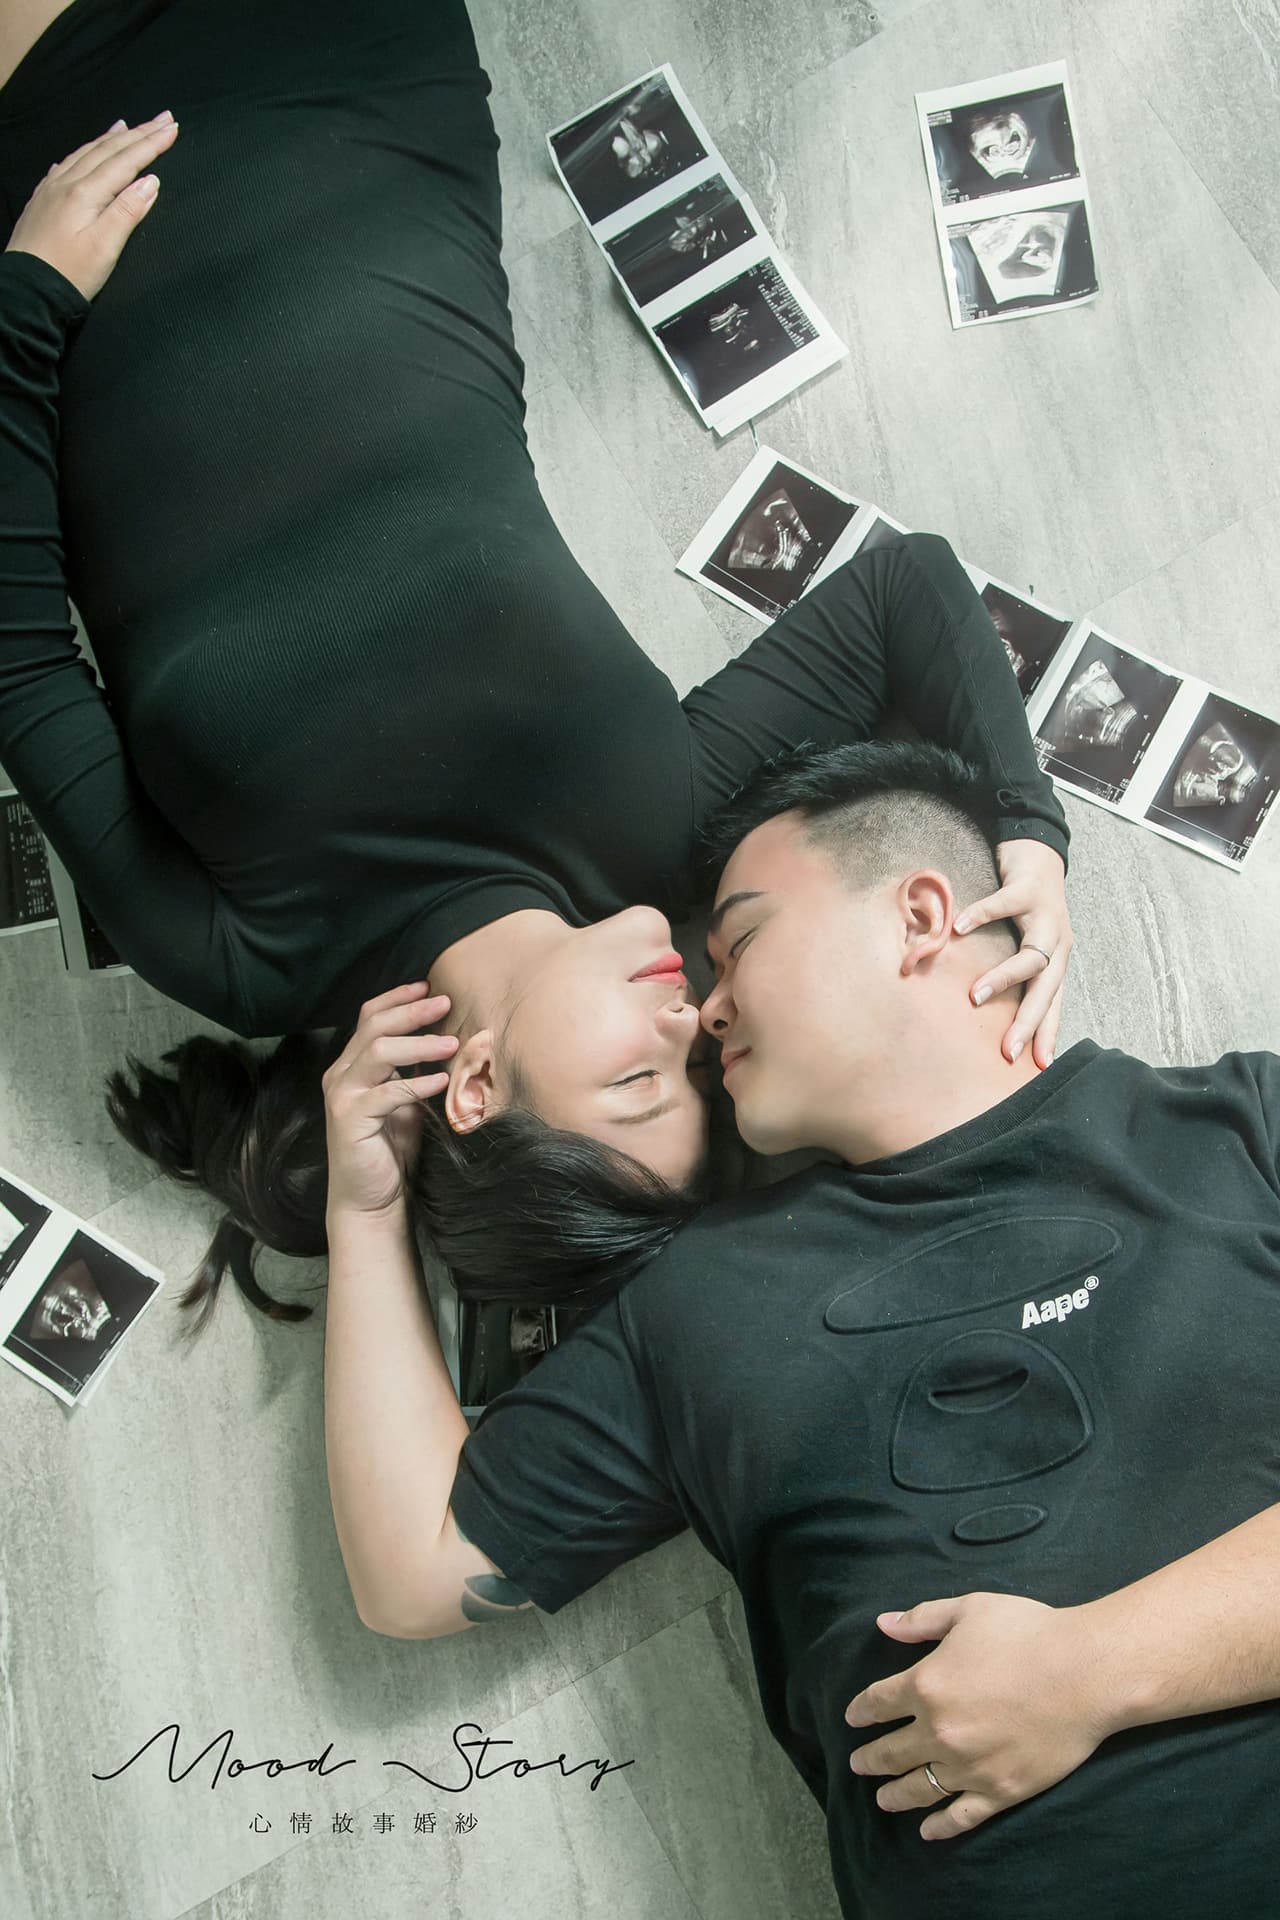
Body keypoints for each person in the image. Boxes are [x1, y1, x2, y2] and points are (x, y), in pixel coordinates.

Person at [0, 0, 1070, 1328]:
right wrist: (1027, 832)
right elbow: (907, 589)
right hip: (350, 81)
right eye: (700, 1071)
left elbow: (21, 669)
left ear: (476, 1088)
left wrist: (24, 304)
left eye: (637, 1084)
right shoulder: (660, 824)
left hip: (67, 171)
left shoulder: (248, 957)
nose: (692, 1026)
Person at [318, 735, 1280, 1918]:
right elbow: (414, 1571)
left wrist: (1097, 1669)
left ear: (918, 917)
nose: (707, 1005)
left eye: (741, 942)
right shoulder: (697, 1301)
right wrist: (365, 1211)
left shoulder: (1244, 1126)